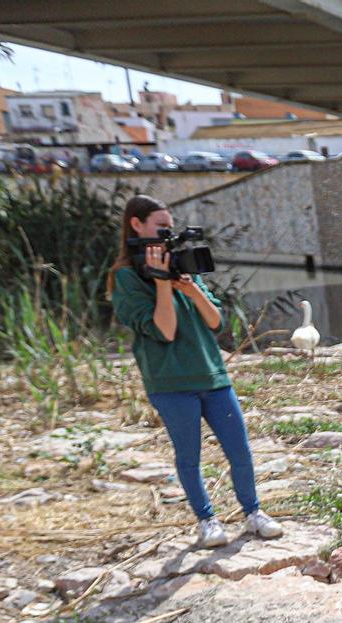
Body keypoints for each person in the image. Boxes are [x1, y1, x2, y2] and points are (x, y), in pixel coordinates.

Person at [109, 194, 282, 548]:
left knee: (240, 450)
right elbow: (165, 330)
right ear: (136, 225)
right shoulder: (126, 279)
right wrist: (160, 284)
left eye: (170, 228)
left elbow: (216, 321)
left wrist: (189, 287)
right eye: (161, 228)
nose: (168, 235)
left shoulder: (181, 266)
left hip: (212, 376)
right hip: (171, 383)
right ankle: (207, 520)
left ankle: (253, 513)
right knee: (189, 456)